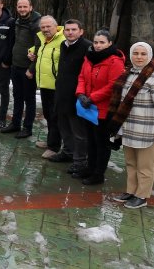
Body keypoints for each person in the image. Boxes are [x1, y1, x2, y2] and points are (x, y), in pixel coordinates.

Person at [73, 29, 124, 186]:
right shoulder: (89, 58)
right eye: (96, 42)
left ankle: (98, 174)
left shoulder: (115, 61)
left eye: (102, 42)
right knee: (91, 140)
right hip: (87, 107)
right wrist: (80, 93)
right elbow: (81, 76)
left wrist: (92, 98)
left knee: (101, 143)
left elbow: (113, 85)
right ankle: (90, 167)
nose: (98, 45)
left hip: (103, 109)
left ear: (109, 43)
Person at [109, 42, 154, 209]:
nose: (139, 57)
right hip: (128, 128)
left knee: (145, 166)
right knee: (130, 163)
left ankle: (141, 196)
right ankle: (130, 190)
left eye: (143, 54)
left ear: (149, 56)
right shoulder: (127, 74)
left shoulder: (152, 77)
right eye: (136, 53)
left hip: (146, 130)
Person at [50, 19, 93, 167]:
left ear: (81, 32)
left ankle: (80, 160)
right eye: (67, 30)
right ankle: (67, 152)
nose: (70, 32)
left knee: (79, 132)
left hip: (78, 95)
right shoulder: (63, 45)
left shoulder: (88, 47)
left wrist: (83, 94)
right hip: (62, 93)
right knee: (64, 126)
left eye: (74, 29)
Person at [1, 0, 42, 138]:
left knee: (29, 99)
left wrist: (32, 68)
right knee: (17, 96)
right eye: (20, 7)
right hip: (16, 65)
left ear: (31, 7)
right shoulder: (18, 21)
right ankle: (15, 123)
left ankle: (27, 128)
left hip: (27, 69)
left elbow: (39, 47)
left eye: (25, 7)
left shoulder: (37, 25)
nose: (22, 9)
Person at [28, 16, 65, 158]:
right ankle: (51, 140)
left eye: (48, 26)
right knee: (48, 114)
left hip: (56, 85)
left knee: (55, 116)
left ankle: (54, 147)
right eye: (42, 27)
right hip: (44, 83)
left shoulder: (62, 40)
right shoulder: (44, 39)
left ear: (56, 26)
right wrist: (30, 53)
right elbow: (38, 49)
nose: (45, 29)